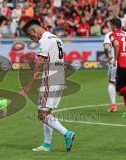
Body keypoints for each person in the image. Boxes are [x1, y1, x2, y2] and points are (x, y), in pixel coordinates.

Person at [20, 19, 75, 152]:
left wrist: (29, 85)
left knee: (42, 114)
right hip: (59, 77)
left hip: (51, 79)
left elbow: (40, 62)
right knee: (47, 113)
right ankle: (47, 144)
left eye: (30, 35)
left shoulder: (44, 40)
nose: (31, 39)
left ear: (34, 30)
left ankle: (67, 133)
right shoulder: (55, 38)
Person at [103, 31, 117, 112]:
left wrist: (108, 57)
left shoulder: (109, 34)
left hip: (115, 62)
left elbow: (106, 47)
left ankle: (113, 106)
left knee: (111, 82)